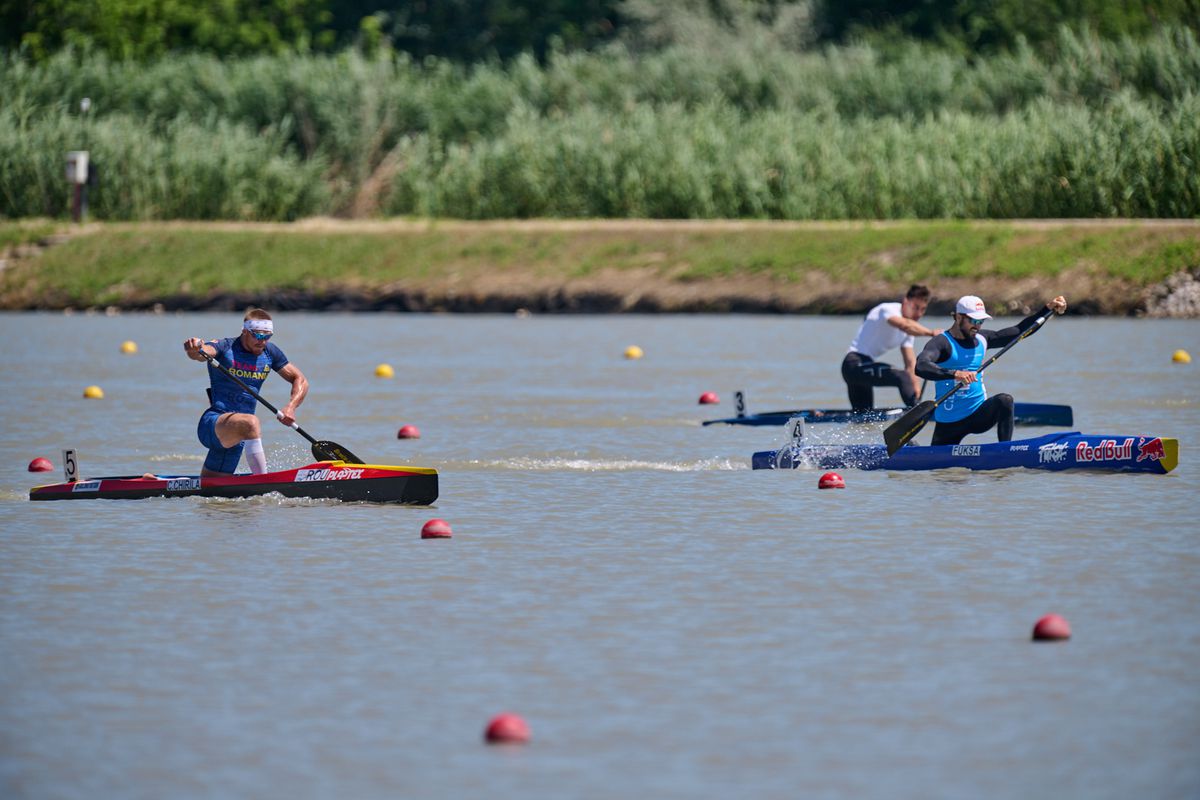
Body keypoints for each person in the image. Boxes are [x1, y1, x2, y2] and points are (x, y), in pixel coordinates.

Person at [915, 294, 1068, 445]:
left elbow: (1020, 330)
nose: (977, 325)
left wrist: (1047, 310)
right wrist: (955, 374)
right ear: (958, 317)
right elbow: (921, 366)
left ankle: (1005, 450)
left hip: (977, 415)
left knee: (1005, 400)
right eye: (973, 320)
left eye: (981, 321)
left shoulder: (983, 339)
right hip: (949, 422)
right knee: (940, 465)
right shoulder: (941, 342)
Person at [183, 309, 309, 476]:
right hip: (213, 424)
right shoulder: (225, 346)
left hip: (240, 436)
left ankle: (152, 480)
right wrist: (194, 348)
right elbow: (201, 353)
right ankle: (264, 481)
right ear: (244, 331)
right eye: (258, 335)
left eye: (267, 336)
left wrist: (291, 407)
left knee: (210, 489)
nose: (263, 341)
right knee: (252, 422)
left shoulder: (271, 353)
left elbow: (301, 380)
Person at [842, 284, 940, 410]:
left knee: (864, 418)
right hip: (853, 364)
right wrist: (931, 333)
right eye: (916, 307)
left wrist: (916, 389)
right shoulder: (888, 309)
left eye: (923, 309)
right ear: (906, 301)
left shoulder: (911, 330)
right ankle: (916, 410)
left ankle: (914, 410)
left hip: (864, 369)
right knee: (902, 376)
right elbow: (905, 325)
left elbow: (910, 364)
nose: (919, 314)